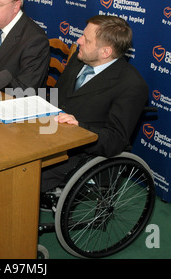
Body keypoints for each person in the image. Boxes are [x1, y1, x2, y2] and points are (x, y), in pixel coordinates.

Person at [40, 15, 149, 197]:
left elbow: (115, 141)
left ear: (105, 52)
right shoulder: (80, 58)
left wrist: (79, 129)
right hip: (48, 133)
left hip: (78, 155)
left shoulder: (132, 85)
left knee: (19, 173)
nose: (78, 41)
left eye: (86, 39)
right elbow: (58, 95)